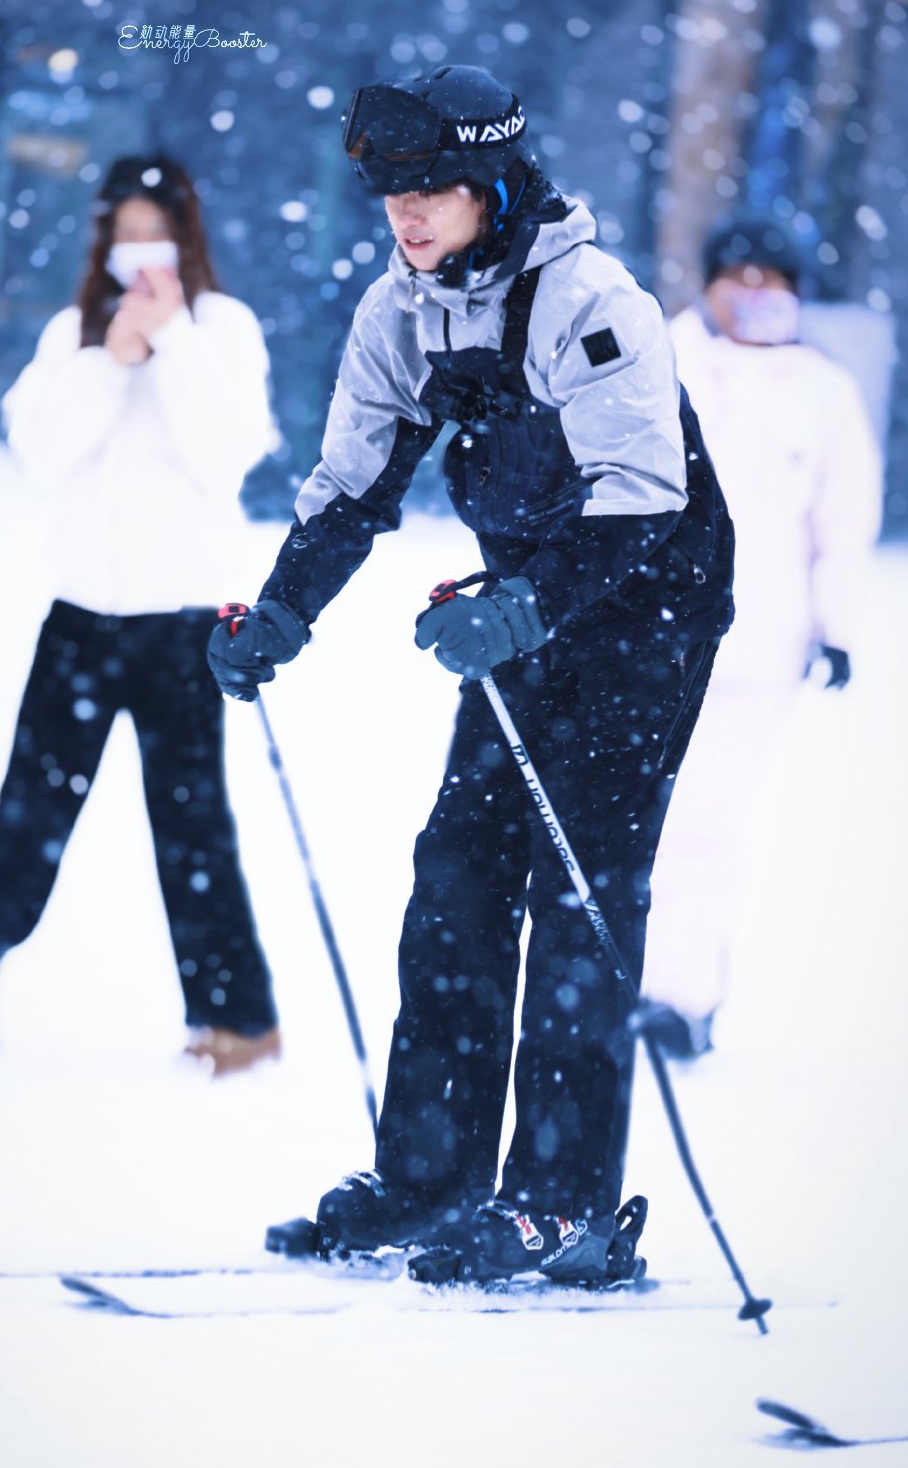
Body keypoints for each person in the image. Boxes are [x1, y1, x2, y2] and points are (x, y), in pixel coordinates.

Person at [207, 66, 734, 1283]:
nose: (406, 211)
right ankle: (432, 1182)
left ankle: (563, 1206)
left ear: (492, 184)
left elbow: (644, 494)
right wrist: (282, 611)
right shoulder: (401, 311)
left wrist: (529, 604)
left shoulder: (589, 299)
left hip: (648, 608)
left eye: (433, 187)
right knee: (456, 877)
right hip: (527, 609)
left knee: (580, 894)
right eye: (390, 188)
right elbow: (353, 485)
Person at [0, 155, 283, 1073]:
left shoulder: (224, 328)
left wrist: (172, 341)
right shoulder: (74, 331)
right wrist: (113, 360)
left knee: (191, 827)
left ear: (184, 238)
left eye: (156, 232)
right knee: (28, 813)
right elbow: (38, 449)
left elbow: (226, 453)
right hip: (79, 618)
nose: (139, 252)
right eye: (125, 232)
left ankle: (239, 1019)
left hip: (181, 622)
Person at [640, 212, 883, 1058]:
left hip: (755, 651)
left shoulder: (823, 392)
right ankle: (602, 984)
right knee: (627, 818)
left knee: (704, 825)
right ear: (707, 285)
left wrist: (837, 626)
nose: (751, 294)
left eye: (770, 279)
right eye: (736, 276)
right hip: (646, 641)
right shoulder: (658, 360)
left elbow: (843, 518)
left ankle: (681, 996)